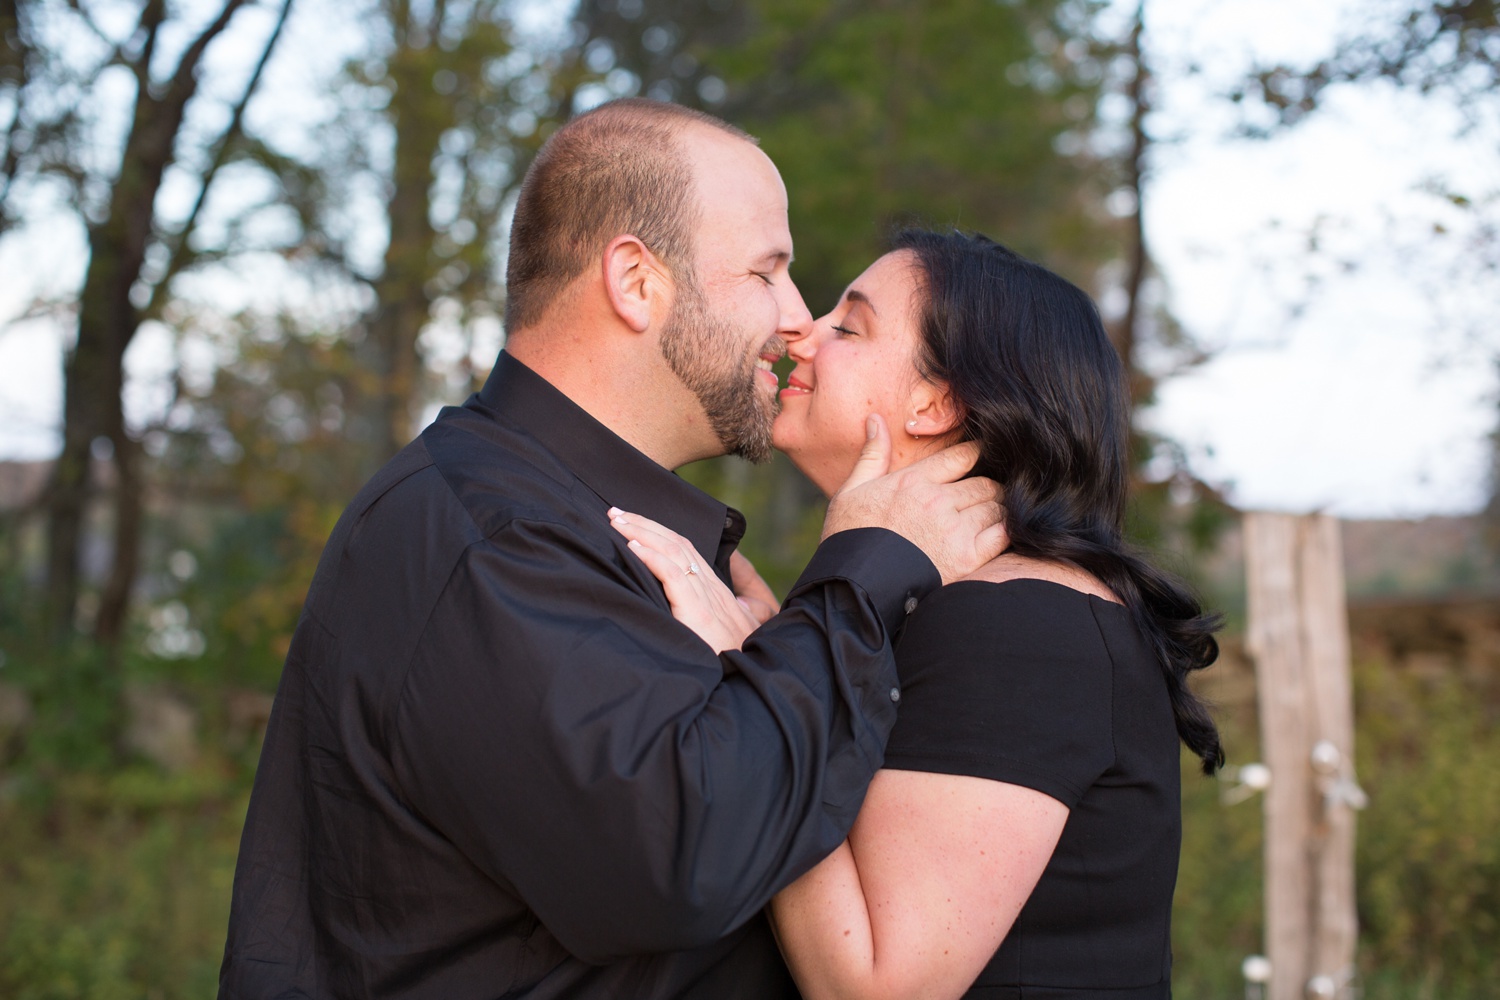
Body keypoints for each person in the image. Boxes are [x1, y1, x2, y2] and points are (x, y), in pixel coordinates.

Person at [217, 101, 1007, 999]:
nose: (798, 319)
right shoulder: (494, 540)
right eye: (767, 272)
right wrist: (865, 572)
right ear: (635, 281)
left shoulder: (561, 521)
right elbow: (687, 855)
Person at [612, 229, 1224, 1000]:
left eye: (849, 326)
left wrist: (754, 688)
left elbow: (873, 985)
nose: (802, 330)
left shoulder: (1018, 624)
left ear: (938, 402)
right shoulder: (965, 602)